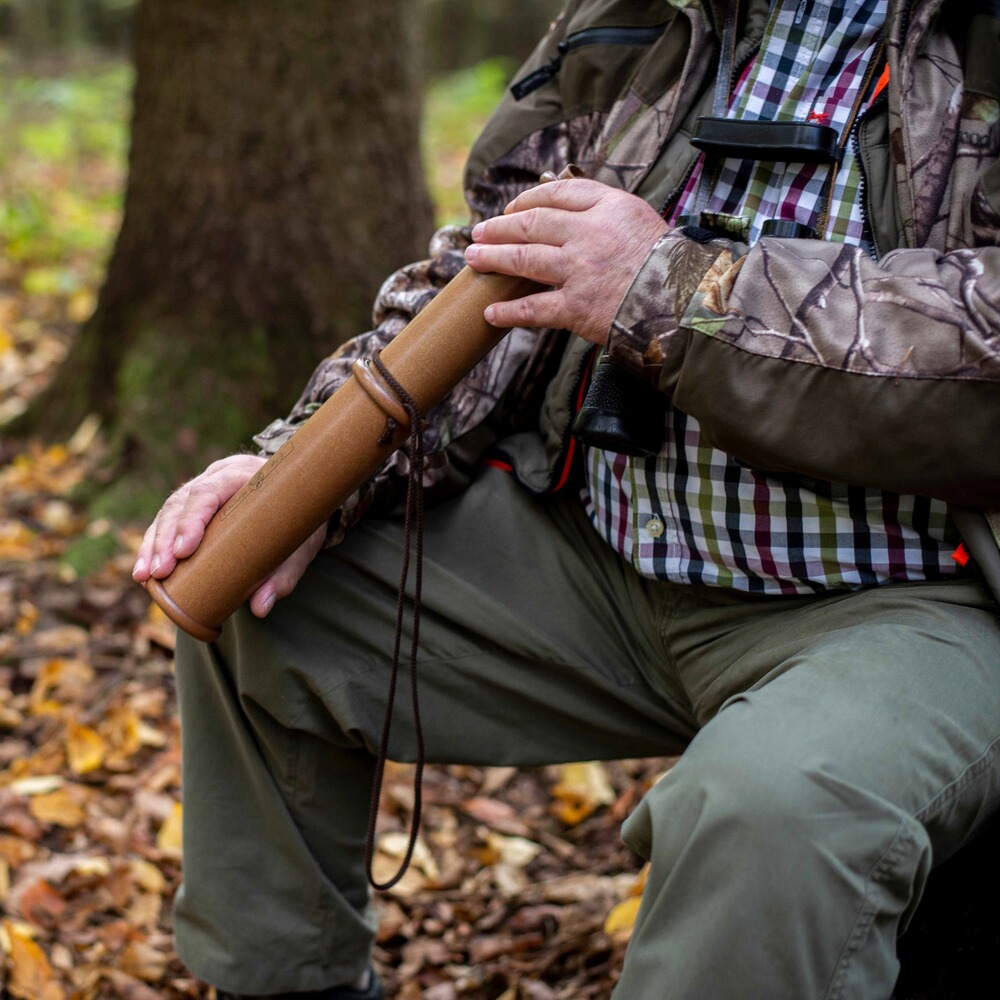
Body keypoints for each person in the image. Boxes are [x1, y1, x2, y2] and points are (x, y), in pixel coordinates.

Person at [133, 0, 1000, 997]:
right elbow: (489, 268)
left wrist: (676, 290)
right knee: (245, 582)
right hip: (600, 549)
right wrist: (308, 470)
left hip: (914, 591)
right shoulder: (640, 14)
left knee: (770, 811)